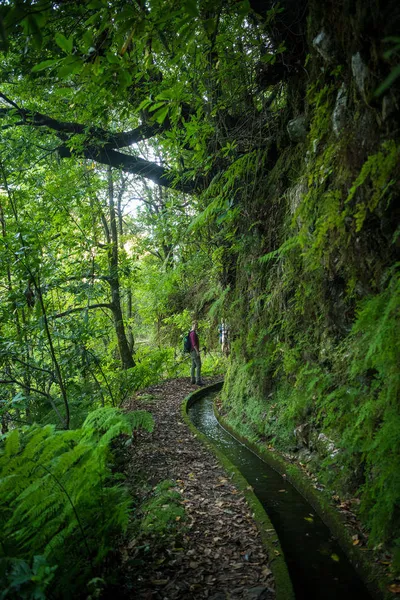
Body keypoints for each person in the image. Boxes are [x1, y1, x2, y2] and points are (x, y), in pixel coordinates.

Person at [189, 321, 203, 385]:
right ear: (193, 325)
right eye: (195, 325)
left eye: (197, 325)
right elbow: (194, 344)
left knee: (193, 366)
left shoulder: (190, 333)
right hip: (194, 351)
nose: (196, 326)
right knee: (198, 365)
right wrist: (197, 352)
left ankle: (192, 380)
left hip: (191, 351)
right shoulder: (193, 333)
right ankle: (198, 381)